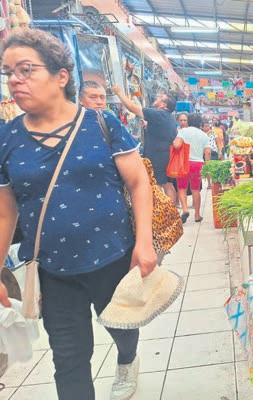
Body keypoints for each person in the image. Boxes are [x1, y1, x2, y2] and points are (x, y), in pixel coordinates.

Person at [0, 28, 156, 400]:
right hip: (52, 270)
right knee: (69, 358)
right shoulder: (7, 138)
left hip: (113, 256)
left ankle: (127, 359)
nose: (15, 81)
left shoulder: (102, 124)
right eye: (8, 73)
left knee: (122, 326)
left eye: (26, 70)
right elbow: (5, 212)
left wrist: (145, 241)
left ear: (61, 76)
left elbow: (139, 182)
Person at [112, 85, 177, 204]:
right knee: (167, 184)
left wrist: (119, 93)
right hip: (165, 155)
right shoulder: (169, 118)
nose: (156, 98)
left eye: (160, 98)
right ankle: (172, 210)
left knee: (156, 183)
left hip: (156, 156)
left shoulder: (157, 114)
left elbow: (132, 107)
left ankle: (161, 210)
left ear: (163, 105)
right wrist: (148, 127)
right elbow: (163, 134)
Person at [173, 113, 210, 223]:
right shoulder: (204, 135)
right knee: (196, 189)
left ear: (188, 121)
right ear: (200, 123)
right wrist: (207, 166)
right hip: (197, 164)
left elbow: (176, 145)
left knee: (182, 188)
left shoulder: (183, 131)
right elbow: (207, 152)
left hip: (183, 163)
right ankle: (197, 215)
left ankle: (185, 210)